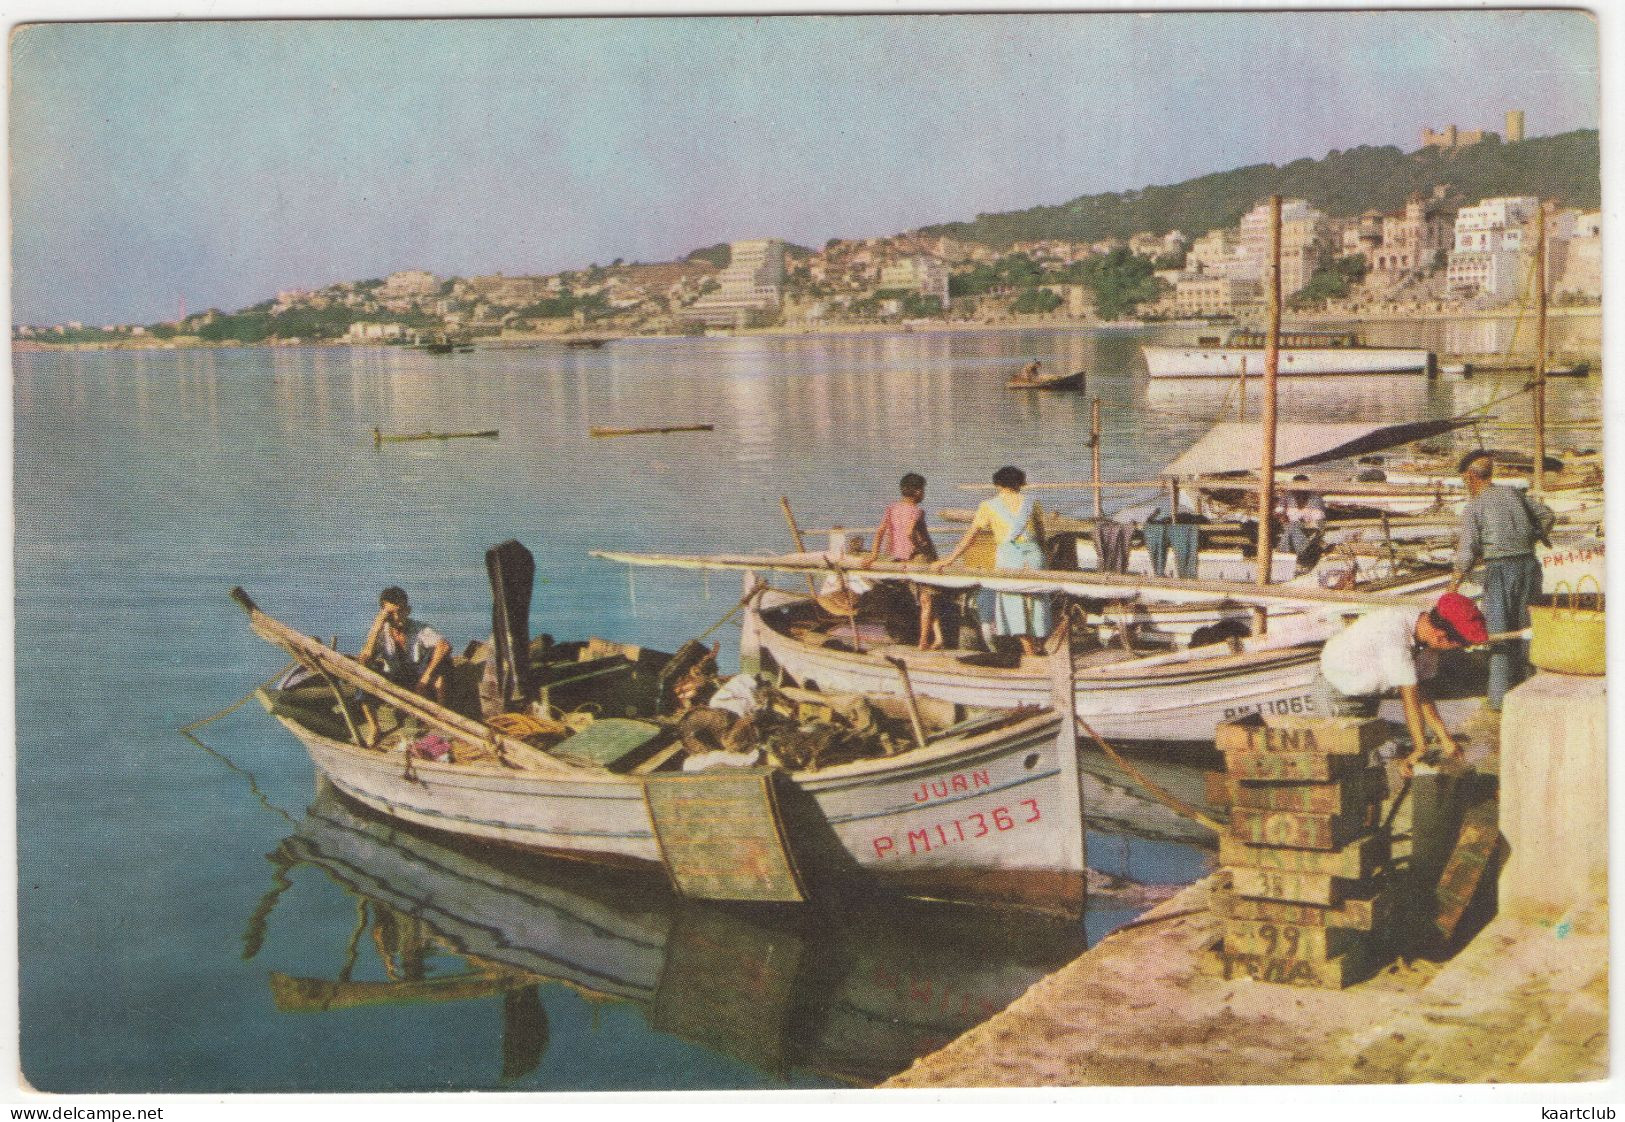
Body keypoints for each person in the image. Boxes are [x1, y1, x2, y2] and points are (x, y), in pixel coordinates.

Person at [1314, 592, 1488, 776]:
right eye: (1458, 646)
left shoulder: (1426, 638)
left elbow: (1424, 692)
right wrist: (1420, 747)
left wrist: (1445, 739)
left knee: (1372, 767)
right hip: (1336, 693)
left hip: (1366, 696)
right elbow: (1409, 696)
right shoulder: (1395, 631)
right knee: (1351, 769)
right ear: (1441, 636)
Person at [1448, 450, 1555, 711]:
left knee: (1498, 633)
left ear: (1472, 477)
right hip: (1529, 566)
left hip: (1500, 570)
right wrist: (1532, 536)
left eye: (1466, 481)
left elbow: (1467, 551)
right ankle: (1531, 693)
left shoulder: (1475, 506)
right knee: (1528, 629)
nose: (1467, 487)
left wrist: (1453, 586)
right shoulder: (1513, 494)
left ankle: (1498, 700)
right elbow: (1548, 515)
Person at [935, 465, 1048, 657]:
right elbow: (1041, 536)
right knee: (1037, 604)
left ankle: (1030, 655)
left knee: (1014, 607)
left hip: (1010, 557)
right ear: (1020, 484)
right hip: (1035, 557)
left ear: (997, 484)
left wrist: (950, 558)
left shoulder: (988, 506)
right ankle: (1038, 648)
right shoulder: (1033, 503)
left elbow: (970, 537)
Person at [862, 472, 942, 650]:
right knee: (927, 599)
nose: (924, 494)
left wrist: (874, 555)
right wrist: (918, 546)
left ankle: (938, 637)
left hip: (898, 558)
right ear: (917, 492)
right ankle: (923, 641)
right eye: (923, 490)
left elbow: (881, 531)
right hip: (918, 558)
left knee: (927, 600)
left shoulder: (892, 508)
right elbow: (909, 532)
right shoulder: (917, 511)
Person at [359, 586, 452, 703]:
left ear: (408, 610)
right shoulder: (380, 633)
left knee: (439, 676)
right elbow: (365, 659)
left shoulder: (418, 628)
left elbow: (444, 646)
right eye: (391, 613)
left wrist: (426, 677)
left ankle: (441, 714)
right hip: (395, 678)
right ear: (383, 614)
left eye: (401, 611)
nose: (397, 617)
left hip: (417, 674)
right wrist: (376, 629)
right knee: (363, 684)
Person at [1277, 474, 1327, 572]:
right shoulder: (1288, 496)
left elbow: (1318, 522)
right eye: (1296, 488)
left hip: (1309, 529)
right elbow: (1278, 511)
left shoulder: (1315, 499)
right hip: (1289, 528)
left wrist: (1301, 523)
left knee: (1293, 527)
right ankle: (1299, 557)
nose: (1298, 491)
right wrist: (1282, 516)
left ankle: (1285, 554)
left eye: (1301, 488)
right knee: (1292, 528)